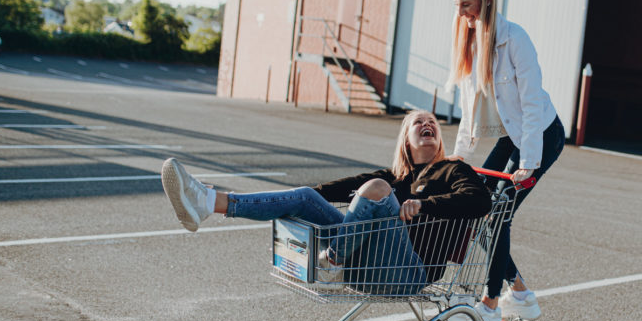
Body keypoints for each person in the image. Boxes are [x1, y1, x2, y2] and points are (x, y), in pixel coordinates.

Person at [160, 110, 492, 296]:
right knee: (307, 195)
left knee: (376, 189)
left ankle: (331, 262)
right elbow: (335, 189)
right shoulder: (395, 176)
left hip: (408, 272)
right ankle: (209, 201)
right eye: (418, 122)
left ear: (439, 137)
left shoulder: (453, 170)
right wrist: (299, 199)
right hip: (366, 264)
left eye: (432, 122)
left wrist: (424, 205)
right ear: (406, 138)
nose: (427, 124)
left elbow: (480, 201)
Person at [445, 0, 565, 321]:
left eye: (466, 4)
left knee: (498, 215)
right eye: (457, 5)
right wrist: (459, 156)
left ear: (487, 0)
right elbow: (469, 108)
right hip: (512, 137)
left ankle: (490, 306)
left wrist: (528, 163)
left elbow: (531, 104)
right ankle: (522, 294)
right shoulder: (471, 41)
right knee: (480, 208)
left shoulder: (516, 39)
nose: (460, 12)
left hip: (541, 135)